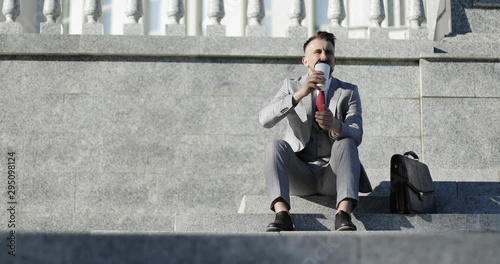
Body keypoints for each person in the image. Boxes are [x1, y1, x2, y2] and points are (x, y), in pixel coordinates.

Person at [258, 31, 372, 232]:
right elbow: (264, 120)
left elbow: (357, 133)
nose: (323, 57)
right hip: (300, 174)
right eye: (317, 52)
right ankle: (282, 214)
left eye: (328, 52)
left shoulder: (348, 91)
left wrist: (335, 124)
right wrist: (299, 94)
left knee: (346, 141)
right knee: (275, 145)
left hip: (333, 176)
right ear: (305, 60)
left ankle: (343, 214)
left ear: (334, 60)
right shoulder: (290, 86)